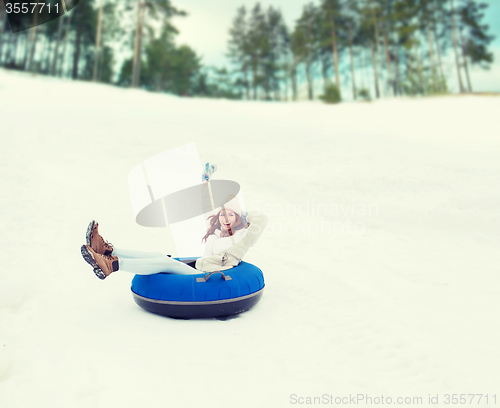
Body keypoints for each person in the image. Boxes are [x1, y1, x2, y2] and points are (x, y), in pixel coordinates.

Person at [80, 198, 268, 280]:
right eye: (222, 215)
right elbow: (208, 205)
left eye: (231, 216)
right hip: (199, 266)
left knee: (165, 262)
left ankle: (111, 266)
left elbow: (262, 219)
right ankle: (108, 251)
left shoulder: (243, 237)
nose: (225, 219)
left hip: (210, 276)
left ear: (238, 219)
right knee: (158, 255)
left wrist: (245, 215)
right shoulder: (216, 235)